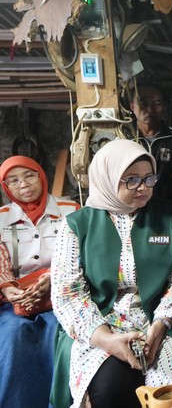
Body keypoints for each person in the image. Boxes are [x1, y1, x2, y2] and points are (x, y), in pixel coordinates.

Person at [50, 139, 172, 408]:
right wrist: (107, 340)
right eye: (131, 180)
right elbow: (68, 295)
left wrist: (160, 326)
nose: (144, 187)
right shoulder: (76, 225)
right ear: (108, 179)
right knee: (109, 390)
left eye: (149, 178)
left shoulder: (170, 216)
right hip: (101, 323)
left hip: (163, 318)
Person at [0, 155, 79, 408]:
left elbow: (80, 256)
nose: (23, 184)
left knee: (58, 332)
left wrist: (51, 281)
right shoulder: (0, 218)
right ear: (6, 187)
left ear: (41, 175)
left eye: (29, 175)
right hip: (16, 299)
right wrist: (9, 288)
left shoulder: (71, 210)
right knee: (13, 334)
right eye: (13, 180)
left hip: (63, 293)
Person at [130, 83, 172, 209]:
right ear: (132, 106)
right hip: (132, 210)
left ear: (164, 107)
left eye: (156, 103)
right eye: (143, 103)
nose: (149, 109)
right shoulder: (124, 137)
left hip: (168, 210)